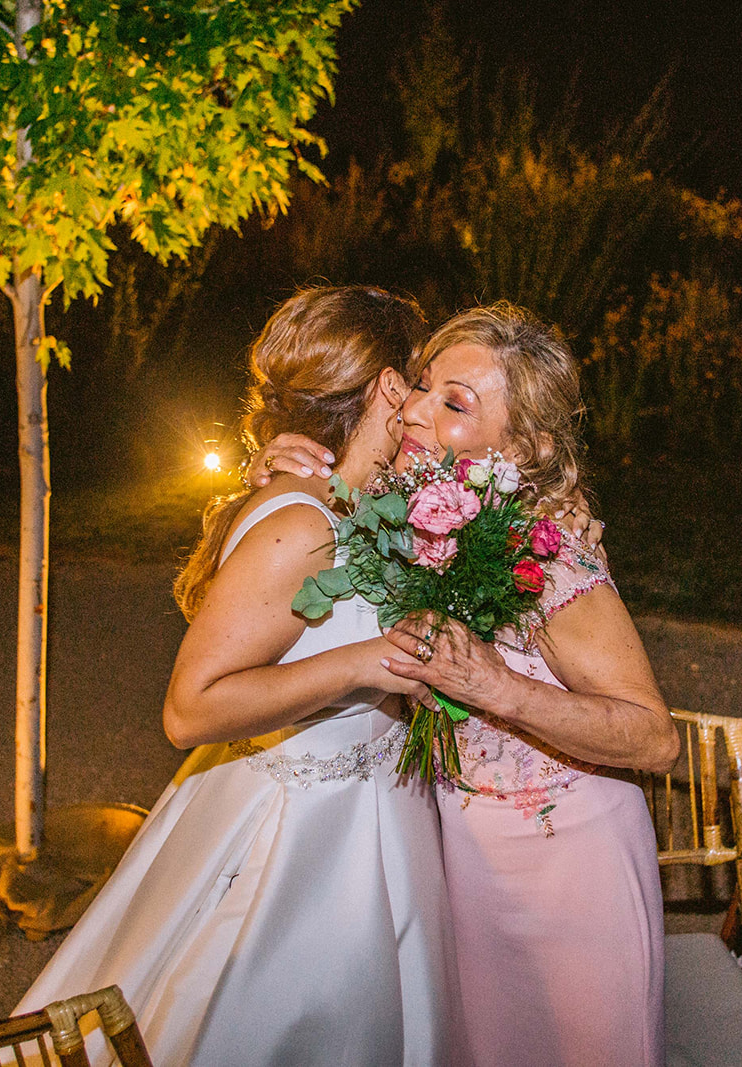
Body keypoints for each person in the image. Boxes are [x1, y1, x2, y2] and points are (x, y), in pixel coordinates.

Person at [12, 286, 466, 1067]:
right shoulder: (301, 523)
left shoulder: (362, 501)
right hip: (305, 844)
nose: (424, 402)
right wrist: (365, 662)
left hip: (373, 821)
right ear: (389, 387)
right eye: (418, 382)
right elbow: (190, 709)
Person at [253, 302, 679, 1067]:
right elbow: (273, 590)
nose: (413, 411)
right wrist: (273, 482)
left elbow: (654, 735)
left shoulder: (549, 556)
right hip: (463, 862)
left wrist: (501, 689)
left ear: (523, 445)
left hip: (570, 868)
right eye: (421, 386)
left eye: (455, 404)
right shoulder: (406, 520)